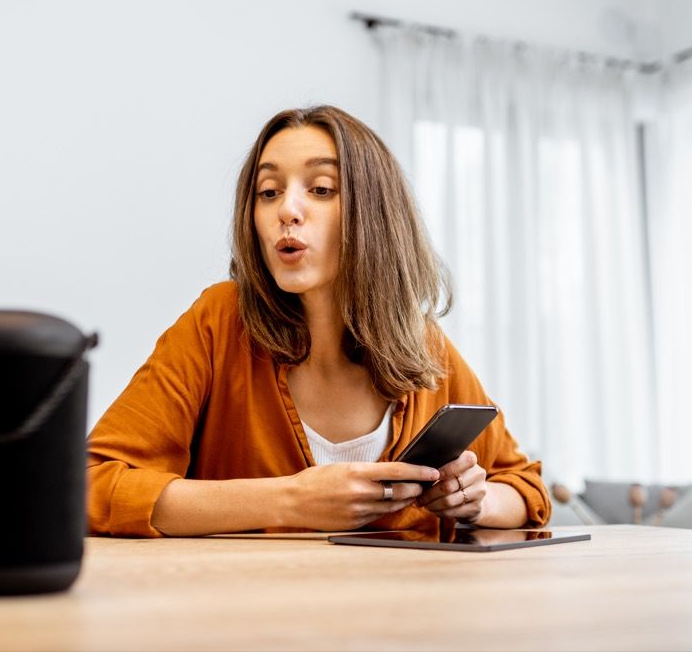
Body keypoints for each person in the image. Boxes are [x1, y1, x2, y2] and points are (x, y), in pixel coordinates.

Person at [86, 105, 548, 537]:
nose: (286, 210)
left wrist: (473, 499)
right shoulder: (218, 321)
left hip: (406, 619)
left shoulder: (423, 343)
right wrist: (288, 500)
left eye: (321, 189)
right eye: (268, 193)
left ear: (374, 214)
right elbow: (91, 485)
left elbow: (525, 488)